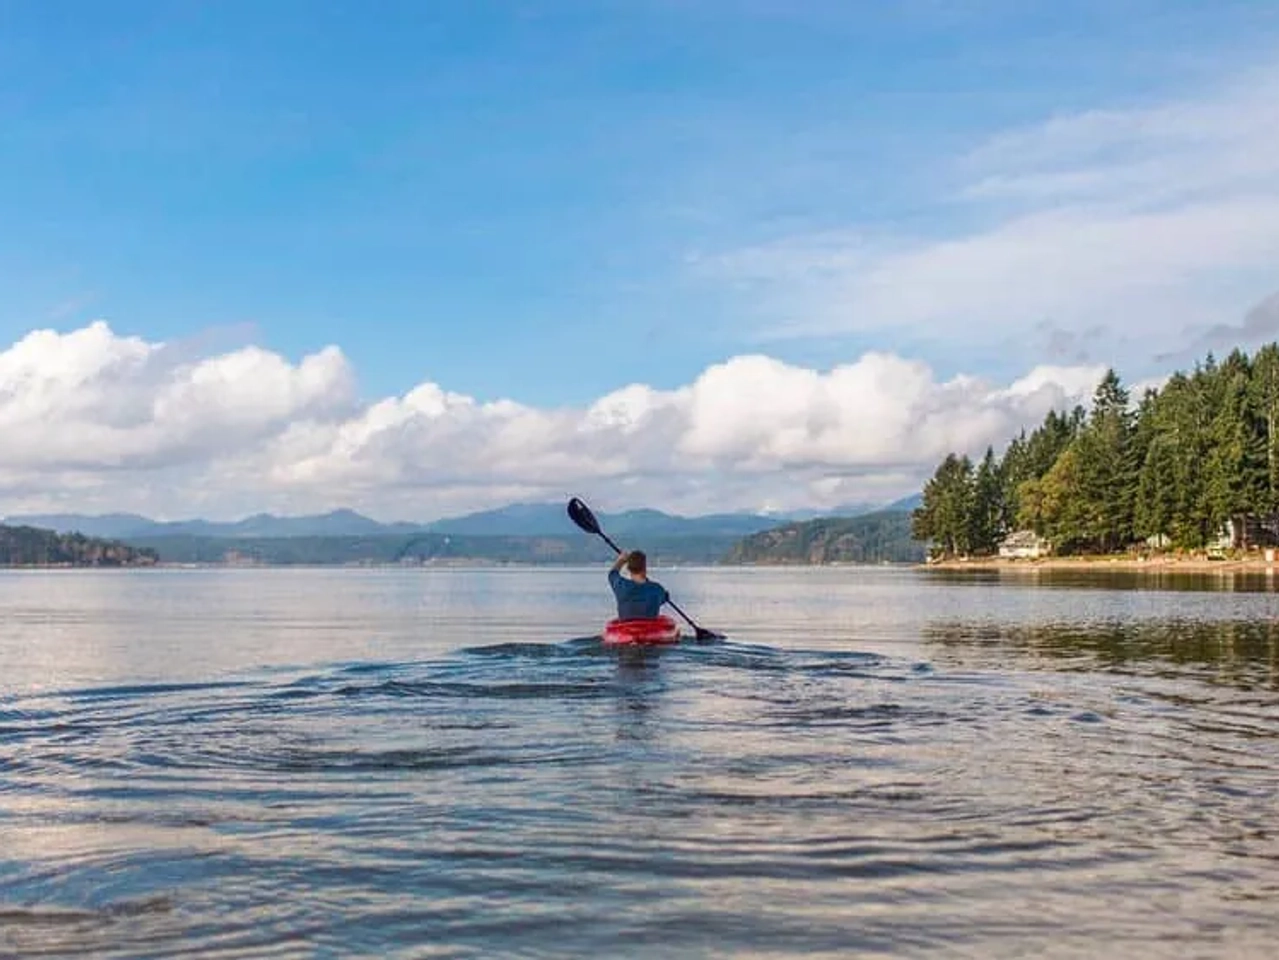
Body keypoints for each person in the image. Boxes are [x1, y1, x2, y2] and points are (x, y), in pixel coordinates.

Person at [608, 549, 670, 620]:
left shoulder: (621, 585)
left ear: (628, 568)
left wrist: (621, 560)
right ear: (645, 567)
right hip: (650, 629)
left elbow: (612, 574)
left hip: (626, 629)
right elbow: (664, 597)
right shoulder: (657, 589)